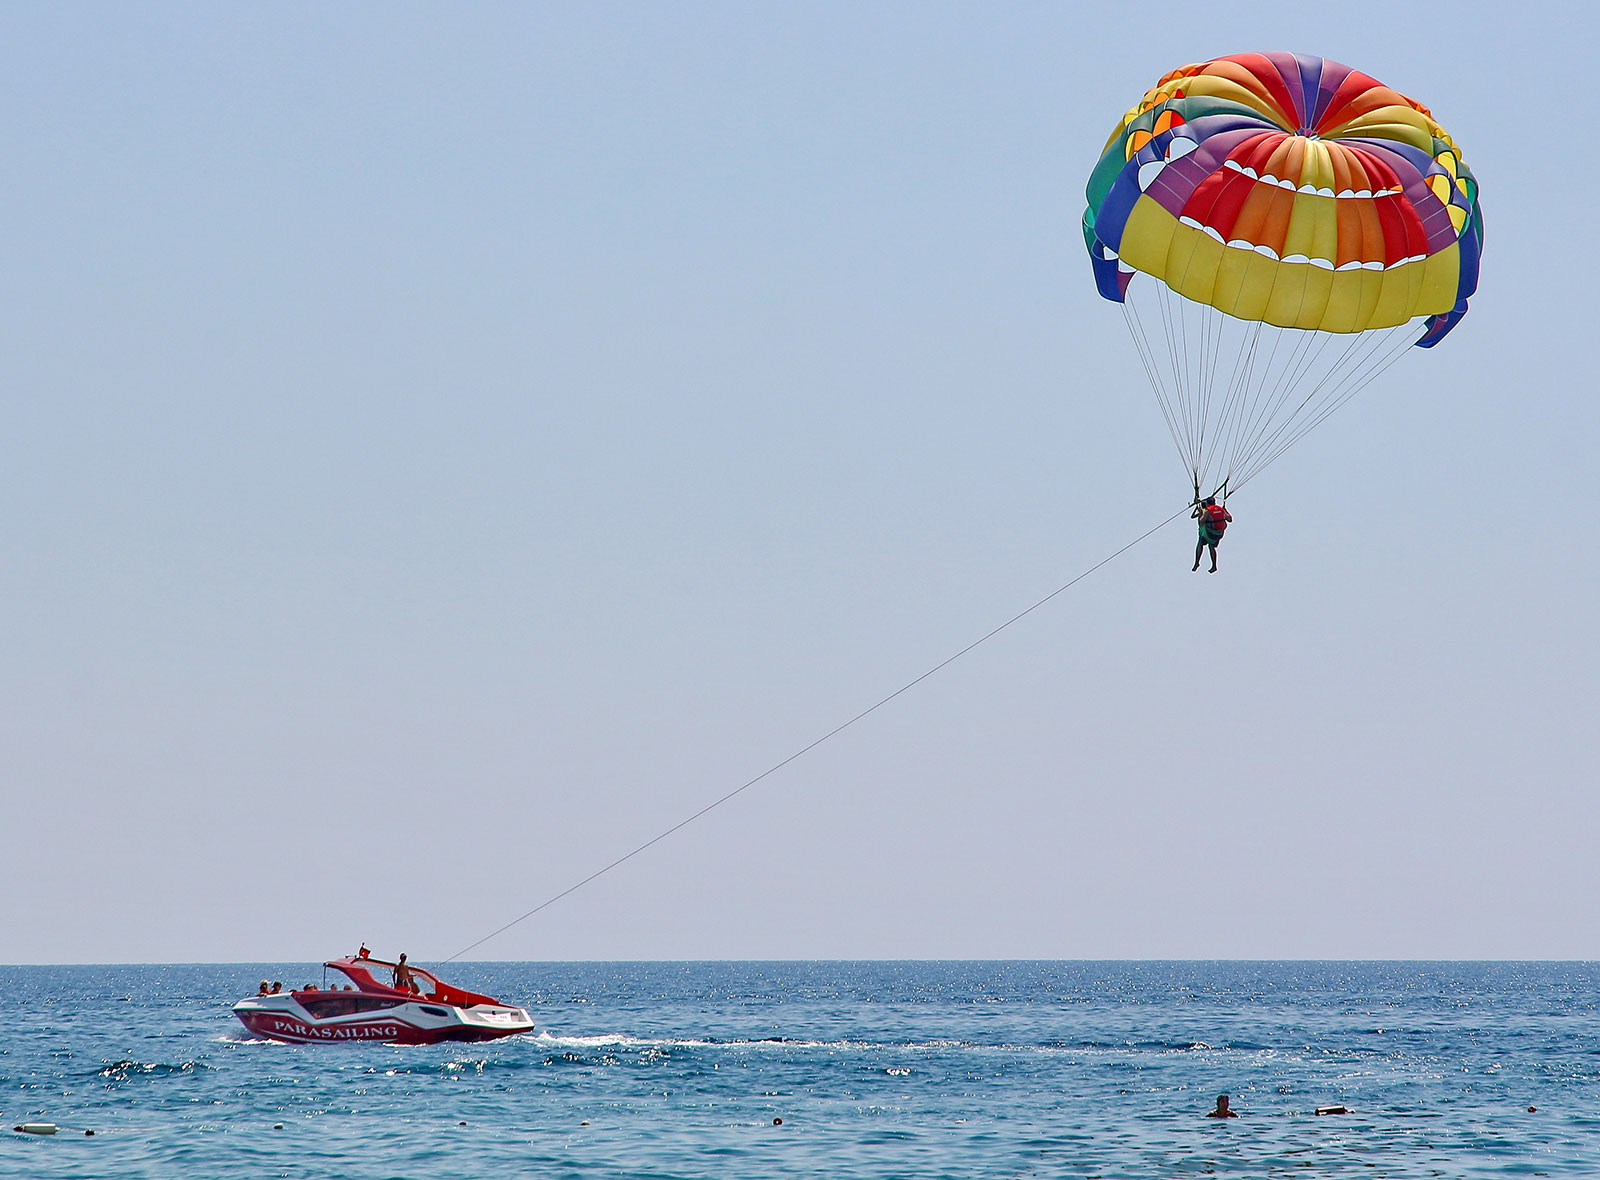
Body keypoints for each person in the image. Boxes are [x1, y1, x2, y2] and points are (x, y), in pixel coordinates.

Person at [1192, 497, 1233, 573]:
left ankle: (1197, 562)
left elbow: (1201, 522)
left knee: (1200, 543)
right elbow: (1230, 519)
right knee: (1211, 546)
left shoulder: (1207, 511)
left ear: (1207, 503)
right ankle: (1214, 566)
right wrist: (1226, 510)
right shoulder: (1221, 509)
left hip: (1209, 533)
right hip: (1219, 533)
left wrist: (1200, 512)